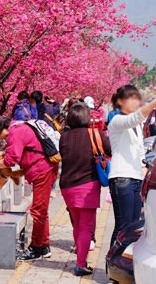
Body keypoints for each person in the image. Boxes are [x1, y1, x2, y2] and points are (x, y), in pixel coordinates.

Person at [0, 113, 58, 261]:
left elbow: (11, 160)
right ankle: (43, 246)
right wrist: (4, 152)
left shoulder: (15, 133)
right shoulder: (18, 126)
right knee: (41, 210)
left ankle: (36, 249)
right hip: (44, 168)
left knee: (38, 211)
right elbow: (25, 147)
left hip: (42, 170)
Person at [108, 85, 156, 245]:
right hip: (122, 178)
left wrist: (144, 168)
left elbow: (139, 149)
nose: (135, 101)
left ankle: (125, 263)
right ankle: (113, 263)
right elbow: (134, 118)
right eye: (131, 98)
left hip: (135, 177)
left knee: (133, 225)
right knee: (123, 225)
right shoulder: (117, 120)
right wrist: (155, 103)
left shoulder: (137, 125)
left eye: (137, 98)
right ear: (120, 101)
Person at [59, 103, 112, 276]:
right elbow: (110, 149)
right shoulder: (95, 134)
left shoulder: (64, 137)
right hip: (87, 186)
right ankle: (80, 264)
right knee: (86, 227)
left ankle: (80, 257)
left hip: (67, 186)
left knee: (77, 223)